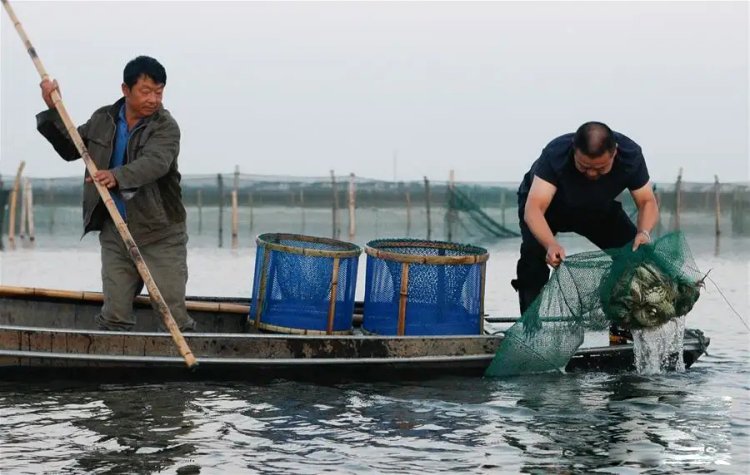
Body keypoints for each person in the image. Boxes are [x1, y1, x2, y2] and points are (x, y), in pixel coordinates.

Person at [36, 55, 195, 332]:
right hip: (115, 231)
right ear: (125, 89)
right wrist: (53, 109)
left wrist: (116, 176)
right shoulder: (103, 119)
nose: (153, 99)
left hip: (160, 233)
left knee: (172, 316)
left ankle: (181, 353)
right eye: (146, 91)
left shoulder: (165, 126)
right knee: (114, 316)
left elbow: (155, 163)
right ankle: (114, 355)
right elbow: (71, 148)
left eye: (159, 92)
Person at [512, 122, 659, 341]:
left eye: (600, 169)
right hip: (548, 211)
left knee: (635, 255)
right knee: (533, 259)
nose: (591, 173)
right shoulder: (555, 153)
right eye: (583, 166)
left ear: (614, 153)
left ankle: (621, 328)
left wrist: (644, 232)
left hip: (596, 208)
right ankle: (531, 330)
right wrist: (550, 244)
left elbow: (647, 201)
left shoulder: (631, 156)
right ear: (574, 150)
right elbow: (534, 208)